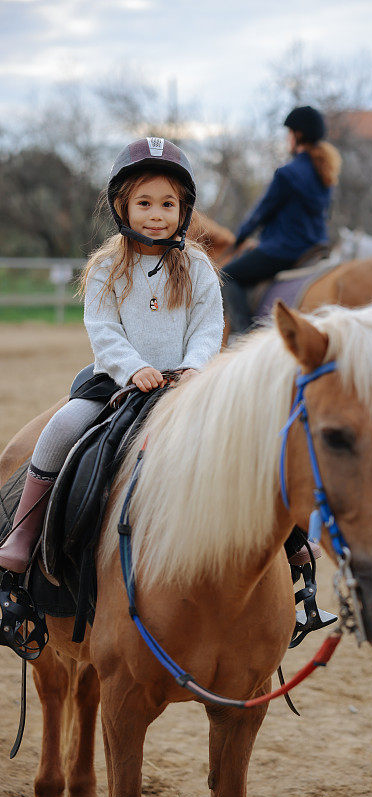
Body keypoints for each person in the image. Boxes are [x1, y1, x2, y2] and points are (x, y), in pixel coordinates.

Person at [0, 137, 224, 573]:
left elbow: (208, 327)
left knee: (246, 430)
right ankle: (24, 533)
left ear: (183, 210)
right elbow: (103, 330)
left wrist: (195, 369)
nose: (156, 215)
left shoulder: (197, 267)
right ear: (123, 208)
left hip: (185, 384)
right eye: (144, 203)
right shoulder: (107, 266)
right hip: (116, 380)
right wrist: (133, 368)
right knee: (61, 427)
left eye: (167, 204)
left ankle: (289, 541)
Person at [222, 105, 341, 332]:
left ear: (297, 135)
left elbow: (261, 211)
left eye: (289, 133)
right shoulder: (324, 173)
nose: (287, 139)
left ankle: (244, 336)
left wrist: (240, 237)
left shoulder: (287, 173)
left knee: (227, 275)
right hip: (314, 247)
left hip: (284, 250)